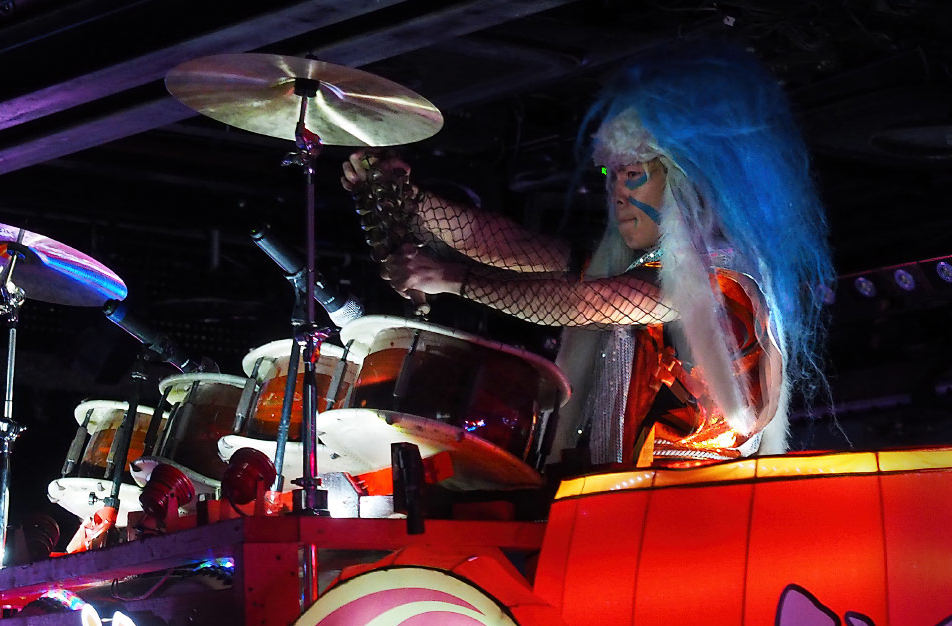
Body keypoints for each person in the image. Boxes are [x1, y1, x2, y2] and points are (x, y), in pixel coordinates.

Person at [341, 44, 833, 468]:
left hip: (693, 497)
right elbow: (514, 248)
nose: (617, 192)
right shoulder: (640, 265)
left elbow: (586, 305)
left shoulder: (724, 273)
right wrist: (404, 198)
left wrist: (451, 279)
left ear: (688, 180)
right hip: (631, 492)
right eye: (611, 176)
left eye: (635, 174)